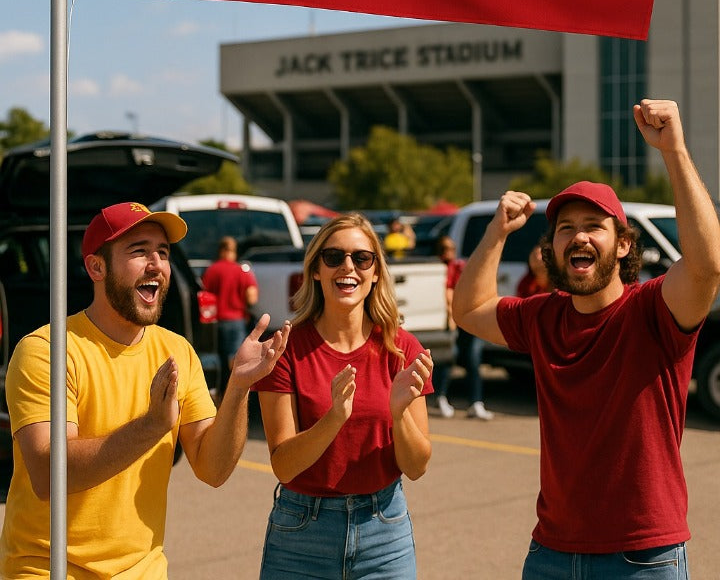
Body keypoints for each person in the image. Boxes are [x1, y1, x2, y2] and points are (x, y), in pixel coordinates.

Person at [453, 100, 720, 580]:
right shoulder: (543, 317)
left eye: (594, 227)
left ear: (622, 245)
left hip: (644, 557)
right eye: (566, 229)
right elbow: (470, 311)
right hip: (552, 555)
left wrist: (674, 150)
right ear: (551, 248)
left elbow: (706, 266)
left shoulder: (653, 311)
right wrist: (496, 232)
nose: (578, 237)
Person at [0, 200, 290, 580]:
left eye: (163, 252)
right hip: (47, 569)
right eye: (139, 251)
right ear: (96, 267)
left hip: (143, 571)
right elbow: (48, 475)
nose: (156, 264)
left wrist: (238, 387)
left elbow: (213, 469)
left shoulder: (178, 351)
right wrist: (152, 426)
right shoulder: (48, 351)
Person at [254, 212, 433, 579]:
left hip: (385, 531)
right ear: (316, 270)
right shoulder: (286, 349)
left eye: (361, 258)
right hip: (301, 535)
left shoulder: (402, 349)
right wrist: (334, 417)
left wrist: (398, 416)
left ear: (376, 272)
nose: (347, 267)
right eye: (333, 257)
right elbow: (283, 466)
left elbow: (416, 467)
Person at [432, 235, 493, 420]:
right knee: (448, 360)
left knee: (473, 361)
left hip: (467, 321)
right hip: (448, 323)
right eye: (444, 248)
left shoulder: (460, 266)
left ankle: (476, 403)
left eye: (451, 248)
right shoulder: (436, 271)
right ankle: (440, 398)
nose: (448, 251)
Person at [203, 234, 259, 392]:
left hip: (216, 321)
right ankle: (235, 391)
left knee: (219, 359)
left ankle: (220, 392)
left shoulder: (212, 270)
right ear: (234, 251)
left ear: (220, 250)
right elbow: (252, 298)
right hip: (236, 321)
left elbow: (205, 296)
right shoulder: (241, 270)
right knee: (236, 359)